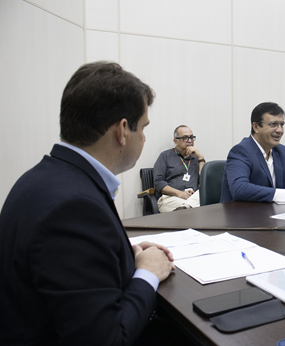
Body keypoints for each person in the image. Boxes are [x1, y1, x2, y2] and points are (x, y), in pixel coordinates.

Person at [0, 62, 176, 345]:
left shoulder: (44, 177)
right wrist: (148, 272)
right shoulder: (73, 208)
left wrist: (121, 254)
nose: (144, 137)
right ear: (122, 130)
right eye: (143, 128)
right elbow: (108, 339)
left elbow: (63, 266)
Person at [154, 125, 205, 211]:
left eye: (191, 137)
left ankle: (185, 208)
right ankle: (187, 208)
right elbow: (158, 182)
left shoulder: (196, 157)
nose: (189, 140)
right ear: (175, 141)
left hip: (193, 197)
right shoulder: (165, 156)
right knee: (198, 207)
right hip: (172, 198)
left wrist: (201, 158)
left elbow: (204, 181)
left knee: (203, 195)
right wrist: (179, 193)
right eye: (185, 138)